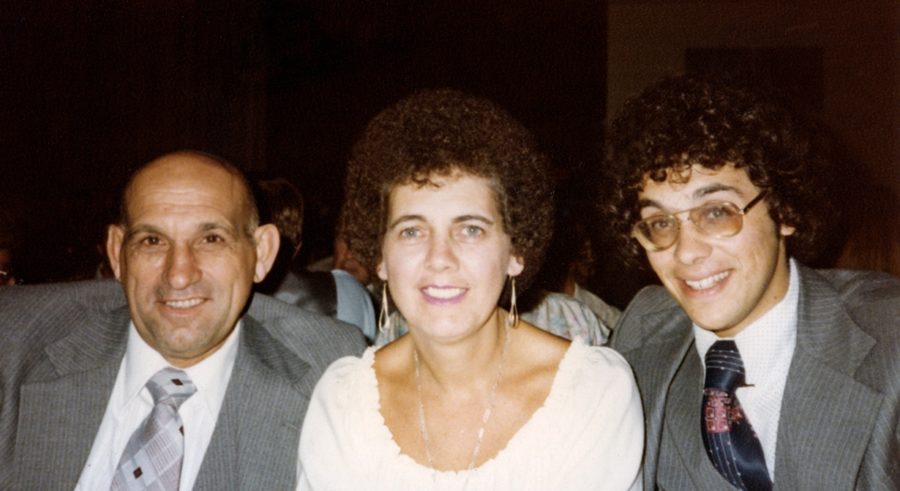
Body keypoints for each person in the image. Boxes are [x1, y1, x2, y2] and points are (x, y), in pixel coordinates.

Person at [297, 89, 643, 490]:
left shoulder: (592, 393)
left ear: (516, 251)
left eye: (470, 229)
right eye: (412, 230)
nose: (439, 257)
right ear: (381, 258)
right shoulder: (345, 401)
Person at [0, 151, 366, 490]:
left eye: (210, 238)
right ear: (116, 253)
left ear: (261, 254)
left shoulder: (330, 374)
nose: (178, 275)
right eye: (152, 241)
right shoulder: (14, 343)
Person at [603, 74, 900, 490]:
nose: (686, 252)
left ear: (786, 210)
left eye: (716, 212)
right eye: (661, 222)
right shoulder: (642, 336)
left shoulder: (889, 337)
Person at [254, 177, 377, 342]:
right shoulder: (346, 290)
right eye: (344, 239)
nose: (350, 253)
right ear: (299, 246)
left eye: (361, 241)